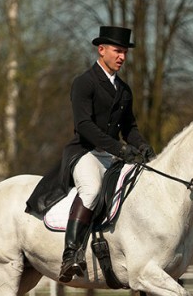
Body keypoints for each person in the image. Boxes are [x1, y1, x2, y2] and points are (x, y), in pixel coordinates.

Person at [25, 26, 155, 282]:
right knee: (92, 189)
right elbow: (84, 126)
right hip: (84, 152)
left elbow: (129, 128)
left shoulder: (124, 90)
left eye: (125, 52)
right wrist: (119, 148)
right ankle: (70, 254)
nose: (122, 57)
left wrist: (142, 146)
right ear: (102, 49)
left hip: (111, 155)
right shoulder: (84, 83)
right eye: (118, 51)